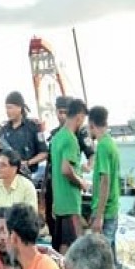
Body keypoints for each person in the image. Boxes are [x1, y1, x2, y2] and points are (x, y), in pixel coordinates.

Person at [49, 99, 89, 253]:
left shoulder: (56, 137)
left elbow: (54, 171)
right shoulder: (71, 139)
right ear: (79, 117)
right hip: (70, 203)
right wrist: (81, 183)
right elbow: (66, 169)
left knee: (61, 246)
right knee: (72, 247)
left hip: (59, 203)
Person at [0, 150, 38, 245]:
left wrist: (9, 232)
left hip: (19, 234)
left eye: (3, 165)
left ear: (14, 168)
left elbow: (30, 217)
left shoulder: (27, 187)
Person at [0, 91, 48, 179]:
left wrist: (27, 163)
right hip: (7, 176)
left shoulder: (33, 127)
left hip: (26, 176)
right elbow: (0, 159)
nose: (7, 111)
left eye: (10, 108)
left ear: (20, 107)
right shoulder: (4, 129)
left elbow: (44, 153)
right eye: (6, 108)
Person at [88, 105, 121, 259]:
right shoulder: (111, 144)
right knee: (110, 256)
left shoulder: (102, 146)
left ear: (92, 125)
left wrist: (99, 215)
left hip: (106, 211)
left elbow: (105, 181)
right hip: (111, 208)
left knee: (101, 259)